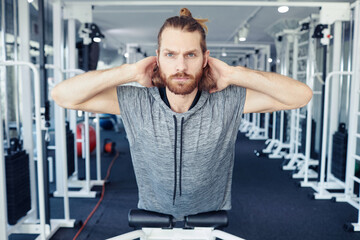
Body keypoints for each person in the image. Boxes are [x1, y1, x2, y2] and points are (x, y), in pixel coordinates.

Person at [51, 8, 312, 220]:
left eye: (190, 55)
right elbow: (63, 95)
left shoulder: (227, 101)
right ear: (157, 58)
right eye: (170, 55)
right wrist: (129, 72)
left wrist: (235, 74)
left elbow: (301, 95)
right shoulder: (135, 102)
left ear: (205, 58)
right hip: (152, 216)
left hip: (209, 217)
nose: (180, 66)